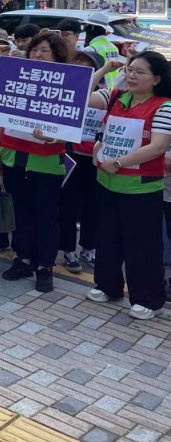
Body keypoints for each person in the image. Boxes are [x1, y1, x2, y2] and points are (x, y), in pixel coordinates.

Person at [86, 52, 171, 319]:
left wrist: (120, 162)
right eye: (129, 70)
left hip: (140, 186)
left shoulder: (164, 106)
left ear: (157, 79)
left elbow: (158, 146)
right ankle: (108, 286)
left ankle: (147, 298)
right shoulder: (116, 97)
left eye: (139, 72)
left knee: (142, 243)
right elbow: (80, 95)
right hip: (107, 181)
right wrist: (105, 70)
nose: (132, 76)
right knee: (108, 238)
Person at [0, 32, 70, 292]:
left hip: (47, 161)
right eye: (35, 50)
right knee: (21, 212)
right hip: (14, 156)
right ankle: (21, 258)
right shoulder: (14, 75)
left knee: (46, 215)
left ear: (57, 55)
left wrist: (51, 136)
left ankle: (45, 266)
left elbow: (70, 126)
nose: (38, 54)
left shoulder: (68, 82)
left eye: (45, 50)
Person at [61, 51, 104, 273]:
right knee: (68, 204)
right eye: (76, 63)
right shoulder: (62, 92)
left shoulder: (107, 95)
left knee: (92, 206)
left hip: (96, 161)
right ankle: (68, 249)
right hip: (70, 156)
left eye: (88, 66)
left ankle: (88, 247)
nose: (81, 69)